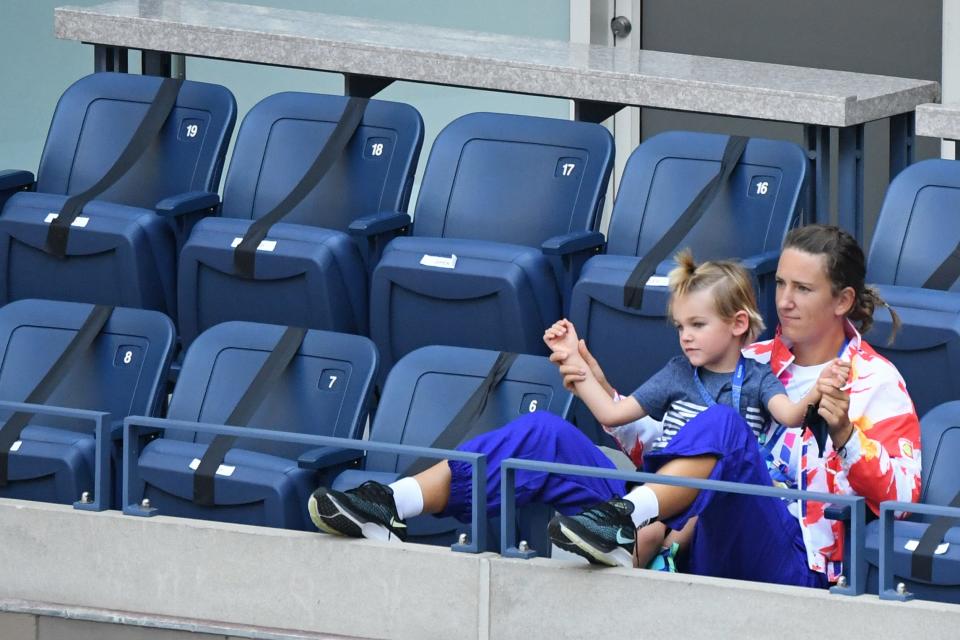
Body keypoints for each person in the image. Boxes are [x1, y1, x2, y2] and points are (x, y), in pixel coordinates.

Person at [548, 225, 921, 586]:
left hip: (794, 558)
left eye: (803, 289)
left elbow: (901, 502)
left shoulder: (876, 381)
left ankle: (626, 522)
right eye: (780, 283)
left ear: (843, 300)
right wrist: (596, 388)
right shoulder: (749, 355)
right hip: (700, 534)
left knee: (725, 425)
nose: (785, 301)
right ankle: (587, 534)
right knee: (542, 438)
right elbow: (677, 446)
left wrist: (845, 435)